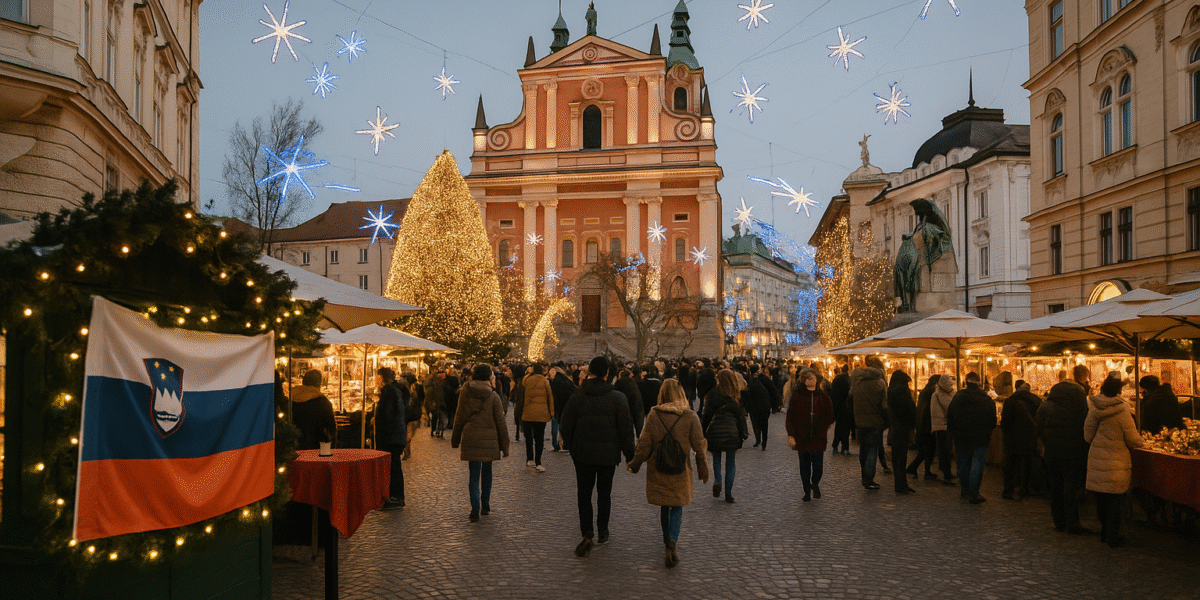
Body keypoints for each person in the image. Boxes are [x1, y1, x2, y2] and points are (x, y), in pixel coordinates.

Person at [627, 379, 709, 568]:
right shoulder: (690, 416)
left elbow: (644, 444)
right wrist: (703, 470)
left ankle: (666, 539)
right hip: (681, 468)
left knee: (665, 504)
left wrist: (635, 464)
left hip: (659, 467)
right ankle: (673, 540)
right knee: (678, 505)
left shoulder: (654, 414)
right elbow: (699, 446)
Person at [559, 356, 635, 558]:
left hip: (583, 454)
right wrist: (630, 455)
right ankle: (603, 530)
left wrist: (572, 447)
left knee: (584, 494)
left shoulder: (578, 396)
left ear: (590, 372)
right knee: (604, 493)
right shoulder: (618, 398)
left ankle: (587, 532)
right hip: (608, 455)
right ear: (607, 374)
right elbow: (626, 430)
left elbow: (565, 425)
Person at [1084, 377, 1144, 547]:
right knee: (1115, 501)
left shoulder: (1094, 408)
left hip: (1097, 460)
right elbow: (1133, 439)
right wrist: (1142, 442)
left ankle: (1104, 532)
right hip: (1117, 462)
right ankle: (1113, 535)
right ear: (1119, 391)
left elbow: (1087, 436)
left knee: (1101, 500)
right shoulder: (1123, 411)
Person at [451, 364, 510, 522]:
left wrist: (455, 439)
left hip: (471, 437)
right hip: (489, 439)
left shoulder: (465, 392)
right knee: (487, 472)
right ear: (488, 377)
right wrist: (505, 447)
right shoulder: (493, 396)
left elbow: (459, 416)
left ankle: (475, 507)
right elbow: (501, 423)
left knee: (474, 474)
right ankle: (485, 504)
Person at [1036, 380, 1092, 534]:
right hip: (1073, 451)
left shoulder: (1045, 407)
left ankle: (1059, 521)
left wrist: (1047, 440)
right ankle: (1073, 522)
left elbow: (1039, 427)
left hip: (1052, 451)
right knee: (1071, 487)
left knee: (1056, 486)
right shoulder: (1079, 407)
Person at [946, 372, 997, 504]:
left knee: (963, 464)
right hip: (981, 437)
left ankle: (965, 489)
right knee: (977, 464)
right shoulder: (986, 400)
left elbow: (950, 416)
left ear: (966, 382)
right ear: (979, 382)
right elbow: (992, 420)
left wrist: (953, 432)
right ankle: (974, 492)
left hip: (961, 437)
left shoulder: (958, 398)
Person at [785, 368, 835, 502]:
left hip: (818, 437)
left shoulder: (823, 396)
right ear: (804, 381)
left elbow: (830, 414)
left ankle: (815, 482)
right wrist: (791, 434)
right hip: (802, 437)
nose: (811, 381)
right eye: (808, 379)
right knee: (804, 466)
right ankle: (806, 491)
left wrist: (824, 426)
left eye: (813, 379)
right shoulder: (797, 396)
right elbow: (790, 417)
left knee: (818, 466)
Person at [701, 369, 749, 503]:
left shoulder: (713, 394)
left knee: (716, 459)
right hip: (732, 432)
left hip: (715, 431)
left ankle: (717, 481)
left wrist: (703, 431)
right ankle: (728, 492)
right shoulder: (735, 395)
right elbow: (740, 418)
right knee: (730, 463)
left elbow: (707, 415)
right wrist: (742, 433)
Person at [850, 357, 888, 490]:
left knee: (863, 449)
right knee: (872, 450)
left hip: (860, 421)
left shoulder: (858, 383)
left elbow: (851, 399)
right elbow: (885, 404)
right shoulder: (880, 383)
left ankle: (864, 475)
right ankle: (869, 478)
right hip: (875, 421)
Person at [1001, 380, 1042, 500]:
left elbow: (1005, 421)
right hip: (1029, 438)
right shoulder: (1037, 401)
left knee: (1011, 465)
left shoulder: (1010, 401)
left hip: (1012, 439)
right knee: (1027, 464)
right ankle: (1024, 488)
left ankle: (1009, 490)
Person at [375, 368, 407, 510]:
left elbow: (387, 416)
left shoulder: (388, 392)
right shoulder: (394, 390)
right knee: (394, 466)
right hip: (396, 435)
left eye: (377, 377)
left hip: (391, 437)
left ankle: (395, 497)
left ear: (382, 378)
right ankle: (395, 496)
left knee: (392, 467)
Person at [886, 370, 918, 495]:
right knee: (901, 457)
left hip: (896, 427)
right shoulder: (901, 392)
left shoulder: (892, 390)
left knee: (897, 457)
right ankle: (901, 485)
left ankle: (901, 483)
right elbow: (908, 409)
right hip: (903, 428)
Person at [290, 370, 337, 451]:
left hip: (295, 444)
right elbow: (331, 428)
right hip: (316, 445)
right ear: (319, 384)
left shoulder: (292, 398)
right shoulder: (322, 402)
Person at [521, 364, 554, 472]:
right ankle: (538, 462)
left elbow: (521, 394)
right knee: (539, 438)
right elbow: (550, 396)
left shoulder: (526, 380)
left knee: (528, 438)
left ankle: (530, 459)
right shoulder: (545, 381)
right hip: (541, 413)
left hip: (527, 412)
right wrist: (552, 411)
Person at [907, 374, 940, 480]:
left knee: (925, 449)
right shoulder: (932, 392)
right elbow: (928, 410)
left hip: (923, 424)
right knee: (928, 449)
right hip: (927, 424)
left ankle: (916, 468)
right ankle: (919, 469)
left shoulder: (925, 391)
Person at [930, 374, 957, 484]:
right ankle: (946, 475)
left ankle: (946, 472)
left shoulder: (937, 394)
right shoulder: (940, 395)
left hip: (942, 425)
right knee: (945, 451)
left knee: (945, 450)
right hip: (943, 425)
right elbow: (950, 407)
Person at [744, 364, 773, 450]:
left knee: (756, 424)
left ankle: (758, 440)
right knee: (764, 425)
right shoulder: (764, 378)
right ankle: (763, 443)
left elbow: (747, 394)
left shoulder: (750, 380)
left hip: (754, 406)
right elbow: (771, 390)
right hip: (764, 406)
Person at [550, 366, 577, 451]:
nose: (550, 375)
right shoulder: (567, 381)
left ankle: (556, 443)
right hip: (566, 407)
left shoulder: (555, 382)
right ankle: (562, 442)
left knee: (556, 425)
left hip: (557, 407)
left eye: (552, 373)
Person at [829, 365, 852, 455]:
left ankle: (836, 446)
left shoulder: (836, 380)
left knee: (838, 427)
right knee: (845, 428)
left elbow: (832, 394)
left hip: (837, 407)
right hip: (846, 408)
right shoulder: (848, 380)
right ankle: (845, 447)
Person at [615, 368, 645, 438]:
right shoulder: (633, 382)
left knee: (628, 430)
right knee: (639, 429)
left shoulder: (619, 383)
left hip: (626, 407)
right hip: (638, 406)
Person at [423, 368, 447, 438]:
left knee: (435, 417)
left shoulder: (429, 383)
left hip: (434, 403)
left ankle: (434, 430)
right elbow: (439, 394)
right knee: (438, 417)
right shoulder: (437, 383)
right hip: (436, 403)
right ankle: (437, 430)